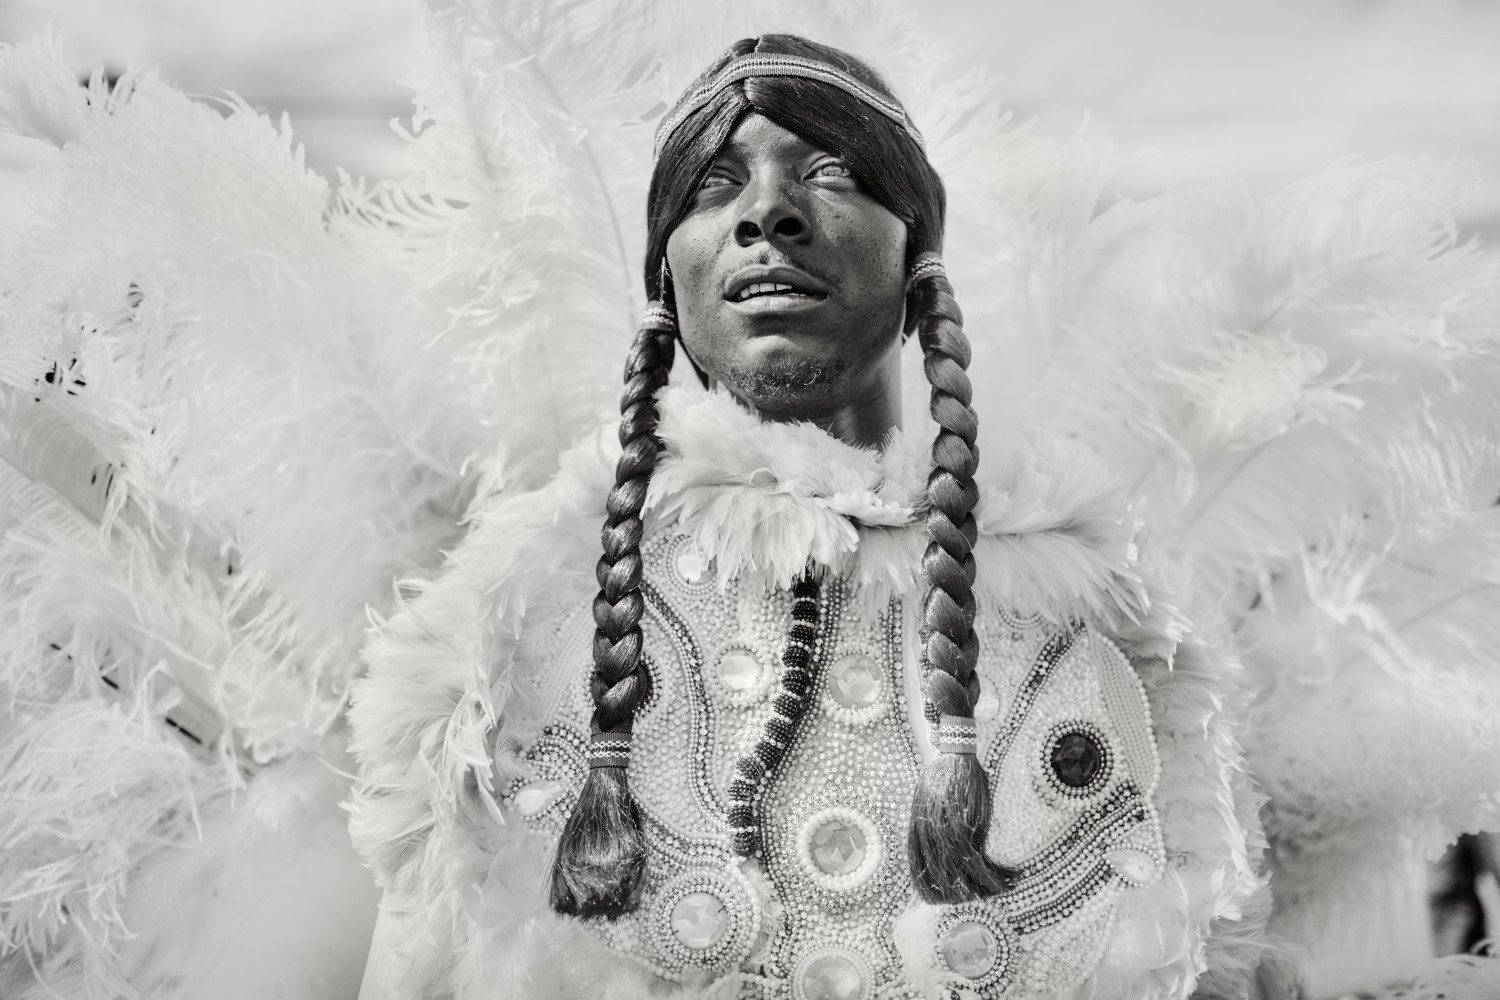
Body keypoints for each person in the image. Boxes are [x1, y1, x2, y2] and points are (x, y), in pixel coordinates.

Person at [348, 34, 1261, 1000]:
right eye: (714, 186)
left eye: (830, 172)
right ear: (669, 286)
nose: (766, 213)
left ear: (918, 264)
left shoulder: (1092, 627)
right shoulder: (512, 621)